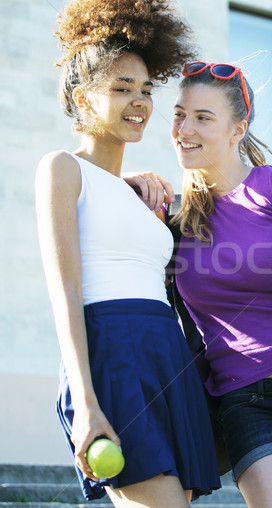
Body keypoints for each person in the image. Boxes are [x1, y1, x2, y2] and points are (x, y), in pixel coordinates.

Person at [35, 1, 221, 505]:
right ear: (83, 97)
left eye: (145, 90)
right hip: (113, 352)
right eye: (120, 88)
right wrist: (86, 403)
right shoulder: (62, 168)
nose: (139, 101)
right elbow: (64, 289)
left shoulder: (141, 193)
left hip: (167, 352)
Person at [167, 61, 272, 507]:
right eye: (179, 113)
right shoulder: (175, 220)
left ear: (238, 129)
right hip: (247, 402)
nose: (185, 127)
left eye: (203, 116)